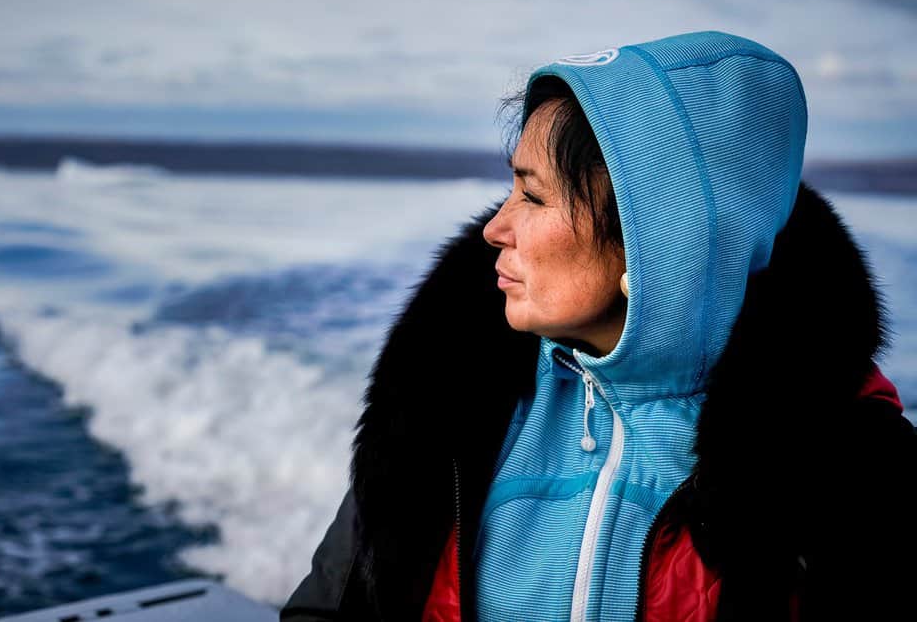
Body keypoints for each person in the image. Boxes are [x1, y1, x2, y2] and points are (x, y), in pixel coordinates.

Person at [280, 30, 917, 621]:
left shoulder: (853, 470)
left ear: (659, 238)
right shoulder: (444, 401)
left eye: (532, 196)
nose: (495, 229)